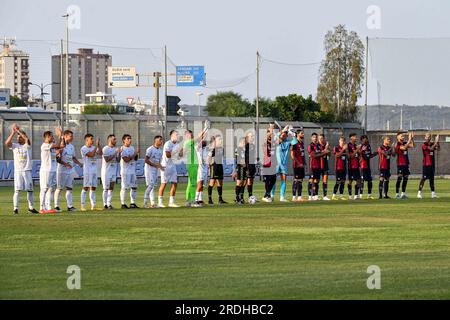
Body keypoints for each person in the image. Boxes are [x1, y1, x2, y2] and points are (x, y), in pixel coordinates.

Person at [5, 123, 38, 215]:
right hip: (18, 171)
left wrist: (18, 131)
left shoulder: (27, 146)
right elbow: (7, 143)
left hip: (27, 170)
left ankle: (31, 208)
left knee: (30, 190)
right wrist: (13, 132)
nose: (18, 138)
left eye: (19, 137)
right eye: (17, 137)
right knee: (17, 190)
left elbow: (27, 139)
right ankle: (15, 209)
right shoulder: (15, 146)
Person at [55, 130, 82, 212]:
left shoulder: (71, 146)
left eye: (72, 136)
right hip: (62, 170)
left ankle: (70, 206)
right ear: (65, 136)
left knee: (69, 188)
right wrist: (66, 164)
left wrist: (79, 163)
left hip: (70, 170)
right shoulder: (61, 146)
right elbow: (57, 158)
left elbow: (73, 157)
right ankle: (56, 206)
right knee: (59, 188)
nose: (72, 137)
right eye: (70, 136)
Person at [183, 124, 208, 207]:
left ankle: (188, 200)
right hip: (192, 164)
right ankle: (193, 201)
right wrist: (204, 129)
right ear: (186, 135)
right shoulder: (188, 142)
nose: (192, 135)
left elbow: (199, 140)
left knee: (191, 183)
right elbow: (198, 138)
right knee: (193, 183)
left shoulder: (190, 143)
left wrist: (205, 133)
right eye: (190, 134)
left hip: (193, 164)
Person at [39, 127, 63, 213]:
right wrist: (60, 136)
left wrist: (58, 152)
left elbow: (58, 148)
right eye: (52, 137)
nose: (53, 138)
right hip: (46, 170)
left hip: (52, 170)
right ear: (47, 137)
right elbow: (57, 146)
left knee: (51, 189)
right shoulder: (44, 145)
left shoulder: (51, 147)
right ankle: (41, 208)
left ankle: (49, 207)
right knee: (44, 189)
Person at [159, 130, 183, 208]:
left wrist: (181, 153)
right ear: (171, 136)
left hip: (173, 166)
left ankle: (171, 202)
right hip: (165, 166)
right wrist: (176, 151)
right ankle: (160, 202)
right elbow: (168, 155)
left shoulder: (178, 144)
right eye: (176, 135)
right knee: (164, 184)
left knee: (174, 183)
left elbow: (179, 156)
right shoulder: (167, 144)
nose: (177, 136)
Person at [273, 125, 295, 202]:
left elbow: (295, 142)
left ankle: (282, 197)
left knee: (284, 180)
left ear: (286, 136)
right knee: (273, 180)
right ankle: (272, 196)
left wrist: (293, 134)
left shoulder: (288, 141)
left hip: (284, 164)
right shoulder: (277, 140)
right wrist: (283, 130)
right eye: (282, 135)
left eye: (284, 135)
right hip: (276, 163)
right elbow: (277, 137)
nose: (282, 136)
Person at [80, 134, 102, 211]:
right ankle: (82, 205)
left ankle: (93, 205)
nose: (92, 140)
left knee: (93, 188)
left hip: (94, 170)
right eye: (91, 139)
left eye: (93, 139)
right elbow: (91, 154)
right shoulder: (83, 148)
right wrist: (96, 145)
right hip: (87, 171)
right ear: (86, 140)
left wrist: (99, 145)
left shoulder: (93, 147)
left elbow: (101, 153)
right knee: (86, 187)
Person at [417, 132, 440, 199]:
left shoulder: (432, 143)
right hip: (426, 164)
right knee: (424, 178)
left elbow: (438, 149)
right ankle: (419, 192)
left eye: (429, 136)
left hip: (432, 164)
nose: (428, 138)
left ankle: (433, 193)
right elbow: (431, 149)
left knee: (432, 179)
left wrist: (437, 142)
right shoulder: (424, 144)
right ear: (425, 137)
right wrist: (436, 142)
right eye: (427, 136)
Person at [144, 135, 164, 208]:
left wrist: (161, 167)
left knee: (153, 186)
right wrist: (155, 165)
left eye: (161, 140)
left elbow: (158, 162)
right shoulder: (150, 149)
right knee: (150, 185)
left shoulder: (160, 151)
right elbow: (146, 160)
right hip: (149, 170)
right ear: (155, 141)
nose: (161, 141)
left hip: (155, 170)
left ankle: (152, 203)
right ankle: (145, 203)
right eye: (160, 140)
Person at [101, 134, 121, 210]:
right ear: (109, 140)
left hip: (113, 171)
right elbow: (107, 159)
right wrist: (115, 153)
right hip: (106, 171)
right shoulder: (105, 149)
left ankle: (109, 204)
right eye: (114, 139)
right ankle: (105, 204)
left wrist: (119, 153)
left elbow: (118, 160)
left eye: (115, 139)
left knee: (111, 188)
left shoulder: (116, 149)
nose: (115, 141)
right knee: (105, 188)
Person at [120, 134, 139, 209]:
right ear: (124, 140)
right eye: (128, 139)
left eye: (130, 138)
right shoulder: (122, 149)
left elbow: (135, 159)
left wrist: (137, 153)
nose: (130, 140)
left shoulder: (132, 148)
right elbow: (126, 160)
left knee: (134, 187)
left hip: (132, 171)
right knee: (124, 187)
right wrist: (135, 153)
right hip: (125, 171)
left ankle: (132, 203)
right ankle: (123, 203)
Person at [394, 132, 415, 199]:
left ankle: (403, 193)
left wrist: (412, 138)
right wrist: (409, 140)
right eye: (401, 136)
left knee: (405, 178)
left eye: (403, 136)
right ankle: (397, 194)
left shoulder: (405, 142)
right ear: (398, 137)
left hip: (406, 163)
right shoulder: (397, 144)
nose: (403, 136)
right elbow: (404, 148)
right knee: (399, 178)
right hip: (400, 164)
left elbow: (413, 145)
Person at [207, 135, 227, 205]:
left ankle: (220, 199)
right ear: (215, 141)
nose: (221, 141)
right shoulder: (212, 148)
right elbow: (208, 157)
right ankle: (209, 199)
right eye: (219, 139)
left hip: (220, 166)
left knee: (220, 183)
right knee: (212, 183)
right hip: (214, 166)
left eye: (221, 139)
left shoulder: (222, 148)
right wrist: (209, 166)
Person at [261, 125, 277, 202]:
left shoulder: (273, 142)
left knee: (273, 180)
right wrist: (271, 129)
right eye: (268, 133)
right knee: (267, 181)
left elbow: (280, 140)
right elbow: (266, 137)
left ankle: (266, 194)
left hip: (273, 164)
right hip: (266, 164)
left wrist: (274, 132)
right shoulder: (265, 142)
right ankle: (267, 195)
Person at [359, 135, 377, 200]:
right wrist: (370, 155)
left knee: (370, 180)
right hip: (362, 166)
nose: (366, 140)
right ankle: (360, 195)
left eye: (366, 139)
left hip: (368, 166)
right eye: (365, 139)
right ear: (362, 140)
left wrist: (375, 154)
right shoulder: (361, 147)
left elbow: (369, 155)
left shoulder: (368, 146)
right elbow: (365, 157)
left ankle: (369, 195)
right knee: (362, 180)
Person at [290, 129, 307, 202]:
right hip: (296, 165)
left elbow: (302, 155)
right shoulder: (294, 143)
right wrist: (298, 163)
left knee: (300, 181)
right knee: (296, 180)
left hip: (302, 165)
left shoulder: (302, 143)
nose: (303, 134)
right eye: (301, 133)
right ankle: (294, 197)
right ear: (297, 134)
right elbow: (292, 155)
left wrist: (304, 163)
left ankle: (299, 197)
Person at [308, 133, 324, 201]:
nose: (315, 138)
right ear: (311, 138)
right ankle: (310, 196)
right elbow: (313, 155)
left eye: (316, 137)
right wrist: (323, 153)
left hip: (318, 166)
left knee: (317, 181)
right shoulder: (310, 145)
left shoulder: (318, 145)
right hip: (312, 166)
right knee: (311, 181)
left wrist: (322, 153)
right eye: (314, 137)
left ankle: (315, 196)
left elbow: (320, 154)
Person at [332, 136, 348, 200]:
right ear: (339, 141)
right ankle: (334, 195)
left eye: (344, 141)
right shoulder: (336, 148)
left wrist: (346, 150)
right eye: (341, 141)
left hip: (344, 167)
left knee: (343, 182)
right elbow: (337, 155)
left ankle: (341, 196)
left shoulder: (345, 148)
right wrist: (343, 149)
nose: (343, 142)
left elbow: (348, 156)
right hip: (338, 168)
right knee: (338, 181)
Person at [347, 133, 362, 200]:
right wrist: (357, 150)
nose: (356, 138)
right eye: (354, 137)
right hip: (351, 166)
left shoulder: (355, 145)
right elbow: (350, 156)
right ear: (351, 137)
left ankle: (356, 195)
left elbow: (358, 155)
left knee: (358, 180)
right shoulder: (348, 146)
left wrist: (360, 151)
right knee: (350, 181)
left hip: (356, 166)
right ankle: (350, 195)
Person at [233, 137, 247, 204]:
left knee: (244, 183)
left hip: (244, 167)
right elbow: (238, 159)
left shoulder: (244, 149)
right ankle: (237, 197)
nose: (245, 143)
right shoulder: (238, 149)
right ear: (241, 142)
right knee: (239, 182)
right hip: (240, 167)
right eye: (244, 142)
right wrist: (244, 165)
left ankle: (241, 197)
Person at [244, 132, 257, 200]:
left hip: (252, 165)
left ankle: (250, 195)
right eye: (251, 136)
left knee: (251, 180)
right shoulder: (246, 145)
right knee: (246, 181)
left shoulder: (253, 145)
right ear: (247, 137)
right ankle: (241, 196)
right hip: (247, 166)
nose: (252, 137)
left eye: (253, 136)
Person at [318, 134, 331, 200]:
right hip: (318, 165)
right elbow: (319, 153)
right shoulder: (317, 146)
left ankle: (325, 196)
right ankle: (314, 196)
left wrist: (328, 149)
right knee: (315, 181)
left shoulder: (326, 145)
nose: (321, 139)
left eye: (322, 138)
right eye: (319, 138)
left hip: (325, 164)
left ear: (324, 139)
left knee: (325, 181)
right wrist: (326, 148)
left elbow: (329, 154)